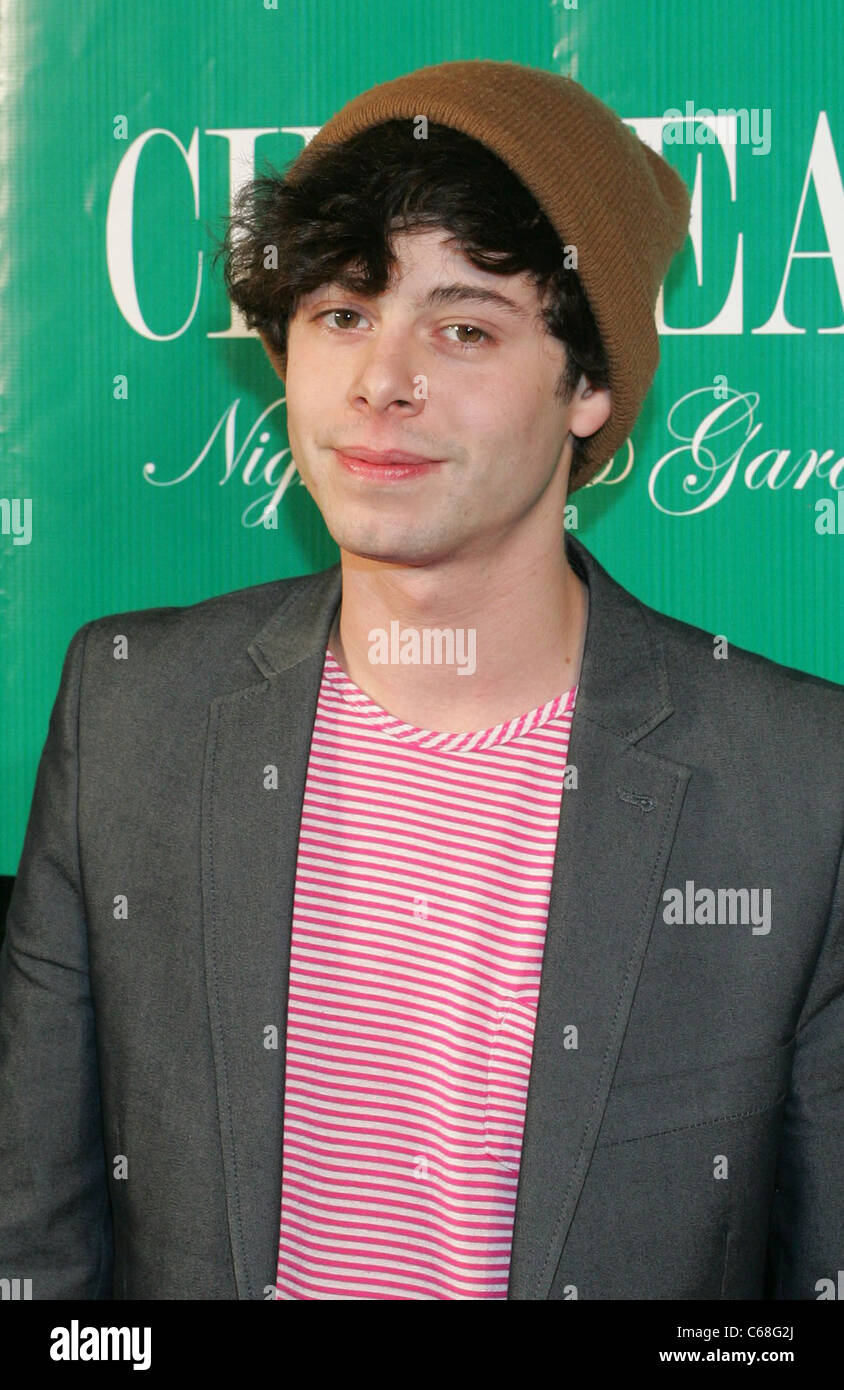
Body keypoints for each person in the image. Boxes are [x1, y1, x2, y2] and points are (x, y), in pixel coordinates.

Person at [0, 59, 842, 1301]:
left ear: (591, 386)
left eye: (462, 328)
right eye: (342, 313)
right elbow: (34, 1240)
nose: (379, 383)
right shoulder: (131, 709)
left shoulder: (794, 780)